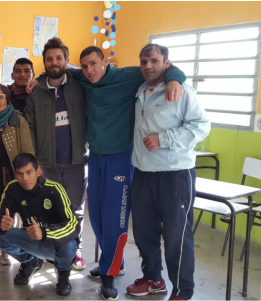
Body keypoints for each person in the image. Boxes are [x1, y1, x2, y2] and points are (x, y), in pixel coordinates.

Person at [28, 46, 186, 300]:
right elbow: (57, 68)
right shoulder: (82, 78)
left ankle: (109, 275)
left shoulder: (128, 76)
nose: (90, 70)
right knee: (98, 218)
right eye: (85, 66)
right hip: (95, 158)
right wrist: (36, 78)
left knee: (116, 219)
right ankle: (115, 261)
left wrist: (176, 78)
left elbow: (158, 69)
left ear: (105, 61)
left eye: (94, 64)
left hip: (121, 159)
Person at [126, 44, 210, 301]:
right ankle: (154, 279)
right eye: (143, 61)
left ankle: (182, 291)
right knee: (143, 232)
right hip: (143, 172)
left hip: (175, 175)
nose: (148, 66)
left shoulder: (182, 91)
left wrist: (164, 139)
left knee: (176, 237)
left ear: (167, 63)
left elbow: (202, 126)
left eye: (154, 60)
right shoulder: (140, 90)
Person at [25, 38, 88, 272]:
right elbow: (29, 127)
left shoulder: (80, 85)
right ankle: (52, 248)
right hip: (46, 163)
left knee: (74, 209)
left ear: (67, 61)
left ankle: (75, 249)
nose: (54, 62)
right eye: (49, 59)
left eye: (59, 58)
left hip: (76, 162)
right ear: (44, 62)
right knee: (49, 208)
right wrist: (33, 161)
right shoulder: (36, 92)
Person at [0, 153, 79, 296]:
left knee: (67, 245)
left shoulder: (54, 189)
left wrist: (44, 232)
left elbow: (73, 225)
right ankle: (31, 261)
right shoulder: (13, 188)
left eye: (29, 172)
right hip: (32, 238)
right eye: (19, 174)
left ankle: (63, 275)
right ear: (15, 174)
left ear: (38, 171)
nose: (24, 178)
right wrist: (1, 222)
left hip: (56, 243)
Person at [0, 84, 35, 265]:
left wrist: (25, 173)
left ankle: (7, 248)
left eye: (1, 97)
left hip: (13, 175)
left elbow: (26, 149)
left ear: (7, 100)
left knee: (12, 213)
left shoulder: (18, 120)